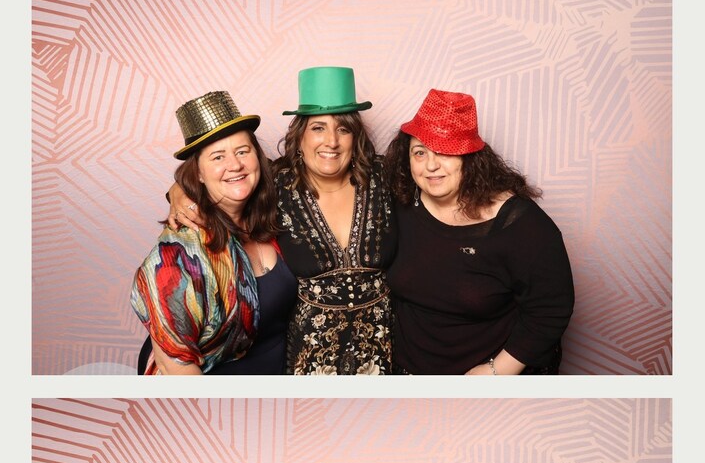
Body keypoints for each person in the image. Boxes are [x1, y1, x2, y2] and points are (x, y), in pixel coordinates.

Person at [385, 88, 575, 374]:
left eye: (445, 151)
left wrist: (496, 372)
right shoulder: (400, 203)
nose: (431, 165)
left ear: (470, 157)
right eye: (420, 152)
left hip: (485, 379)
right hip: (408, 374)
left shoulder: (522, 225)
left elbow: (551, 309)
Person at [132, 90, 296, 377]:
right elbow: (177, 369)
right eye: (218, 157)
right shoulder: (178, 255)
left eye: (242, 151)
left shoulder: (276, 212)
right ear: (197, 173)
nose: (235, 165)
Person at [275, 67, 396, 373]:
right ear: (300, 137)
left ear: (355, 137)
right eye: (318, 128)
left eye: (343, 129)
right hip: (310, 358)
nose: (331, 141)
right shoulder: (276, 186)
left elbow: (441, 175)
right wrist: (182, 192)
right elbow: (228, 180)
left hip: (384, 351)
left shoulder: (385, 177)